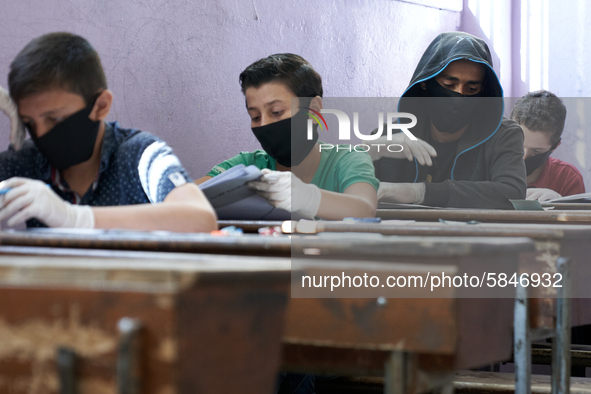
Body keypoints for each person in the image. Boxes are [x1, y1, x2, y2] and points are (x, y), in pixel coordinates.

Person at [0, 32, 216, 232]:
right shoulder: (23, 161)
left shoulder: (140, 154)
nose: (41, 133)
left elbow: (200, 219)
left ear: (101, 106)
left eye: (55, 119)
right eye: (28, 122)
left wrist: (75, 218)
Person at [195, 53, 379, 220]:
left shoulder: (347, 159)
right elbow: (183, 195)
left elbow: (364, 209)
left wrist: (306, 197)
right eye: (256, 117)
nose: (265, 125)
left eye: (276, 112)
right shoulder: (248, 165)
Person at [372, 32, 526, 209]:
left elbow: (512, 192)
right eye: (449, 85)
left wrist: (419, 192)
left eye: (471, 88)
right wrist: (365, 152)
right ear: (425, 83)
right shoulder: (389, 135)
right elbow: (345, 187)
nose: (459, 95)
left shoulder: (504, 136)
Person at [511, 90, 585, 201]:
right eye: (518, 144)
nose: (524, 156)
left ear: (554, 147)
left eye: (536, 151)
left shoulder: (568, 178)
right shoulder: (485, 167)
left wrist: (561, 203)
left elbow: (578, 217)